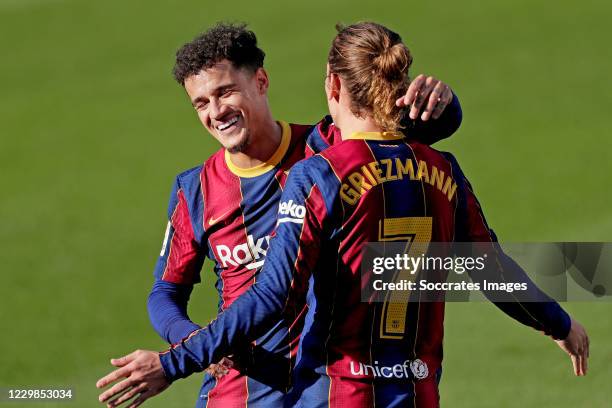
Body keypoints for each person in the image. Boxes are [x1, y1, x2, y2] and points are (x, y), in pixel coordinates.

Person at [97, 21, 589, 407]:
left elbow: (402, 140)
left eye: (225, 92)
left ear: (263, 81)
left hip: (325, 383)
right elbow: (165, 293)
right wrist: (197, 341)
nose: (215, 111)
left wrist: (447, 105)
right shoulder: (195, 189)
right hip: (245, 385)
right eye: (200, 103)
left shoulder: (323, 153)